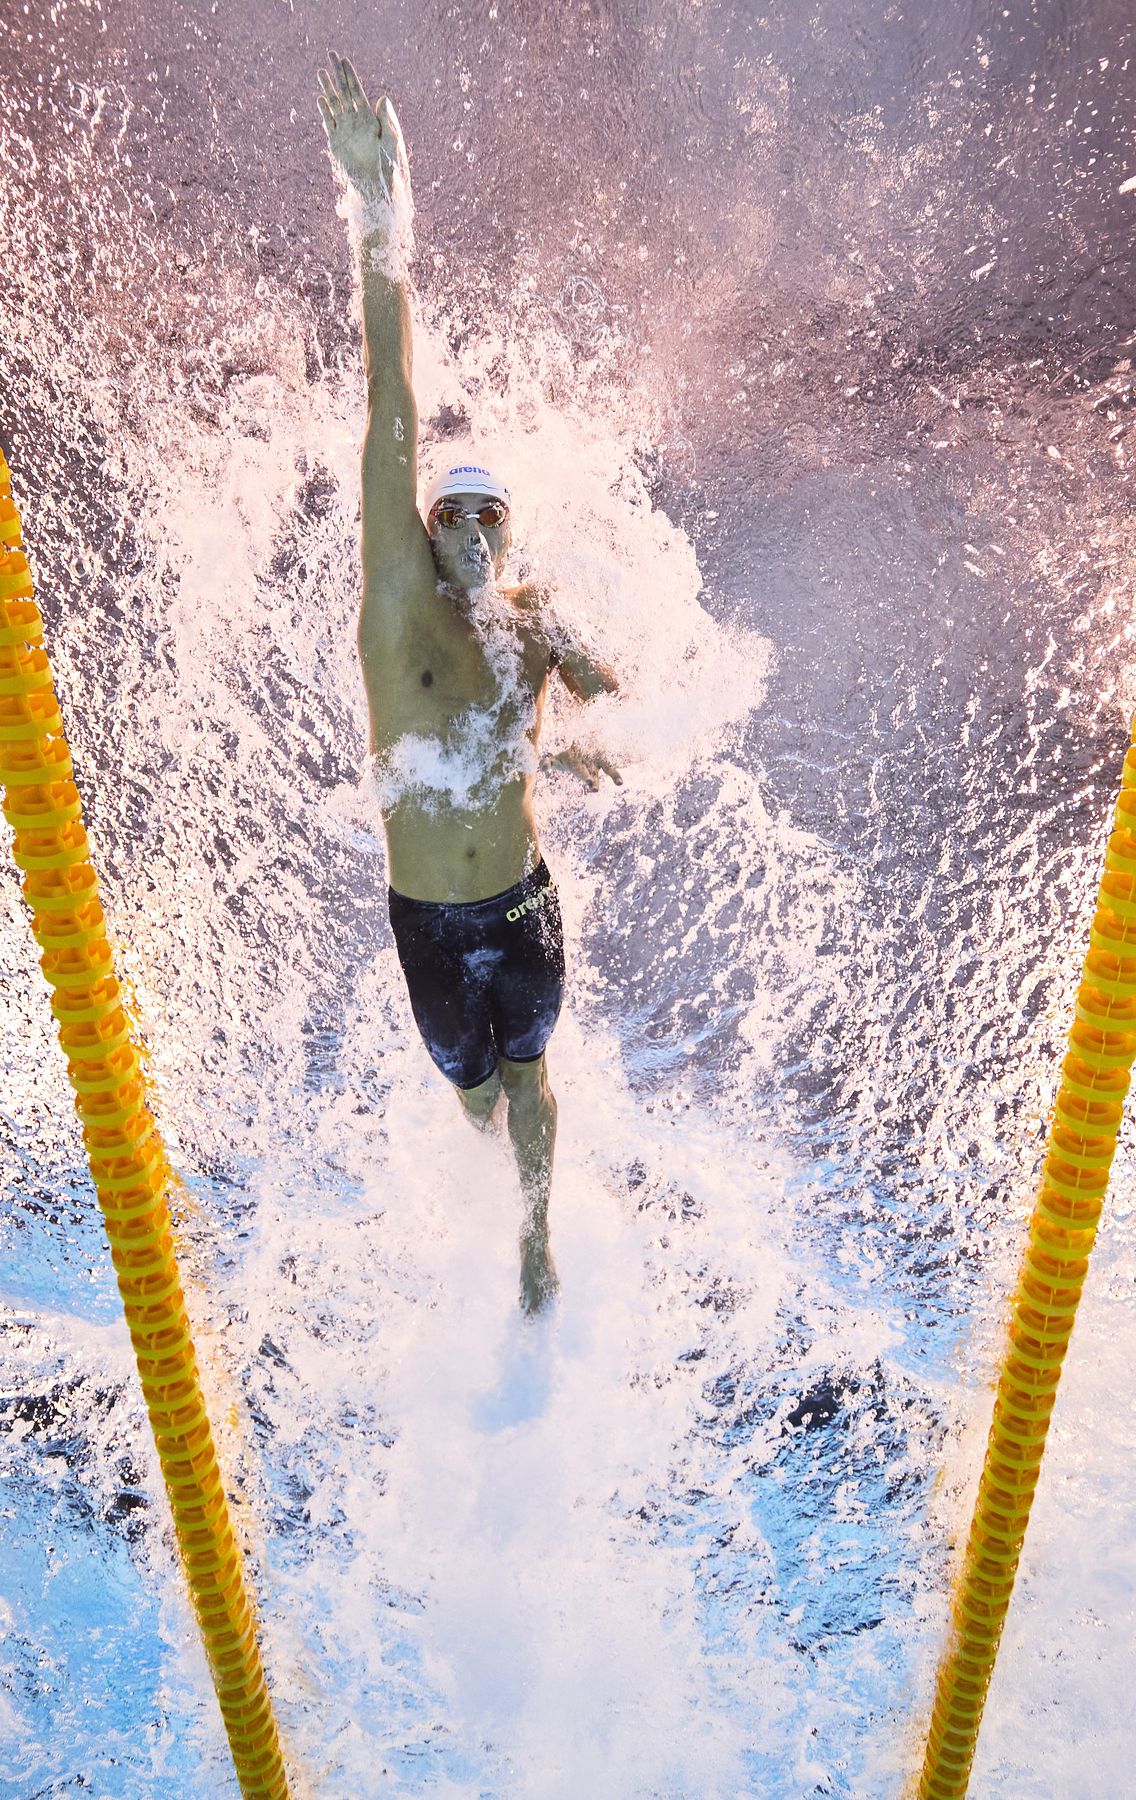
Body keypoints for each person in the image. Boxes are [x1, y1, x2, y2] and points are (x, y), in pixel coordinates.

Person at [318, 52, 621, 1315]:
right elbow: (392, 398)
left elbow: (629, 701)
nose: (481, 537)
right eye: (462, 517)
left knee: (535, 1081)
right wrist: (382, 212)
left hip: (521, 901)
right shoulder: (399, 612)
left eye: (500, 519)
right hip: (429, 923)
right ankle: (501, 1177)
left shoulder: (535, 625)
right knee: (477, 1092)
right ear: (430, 526)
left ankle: (538, 1240)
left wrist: (594, 736)